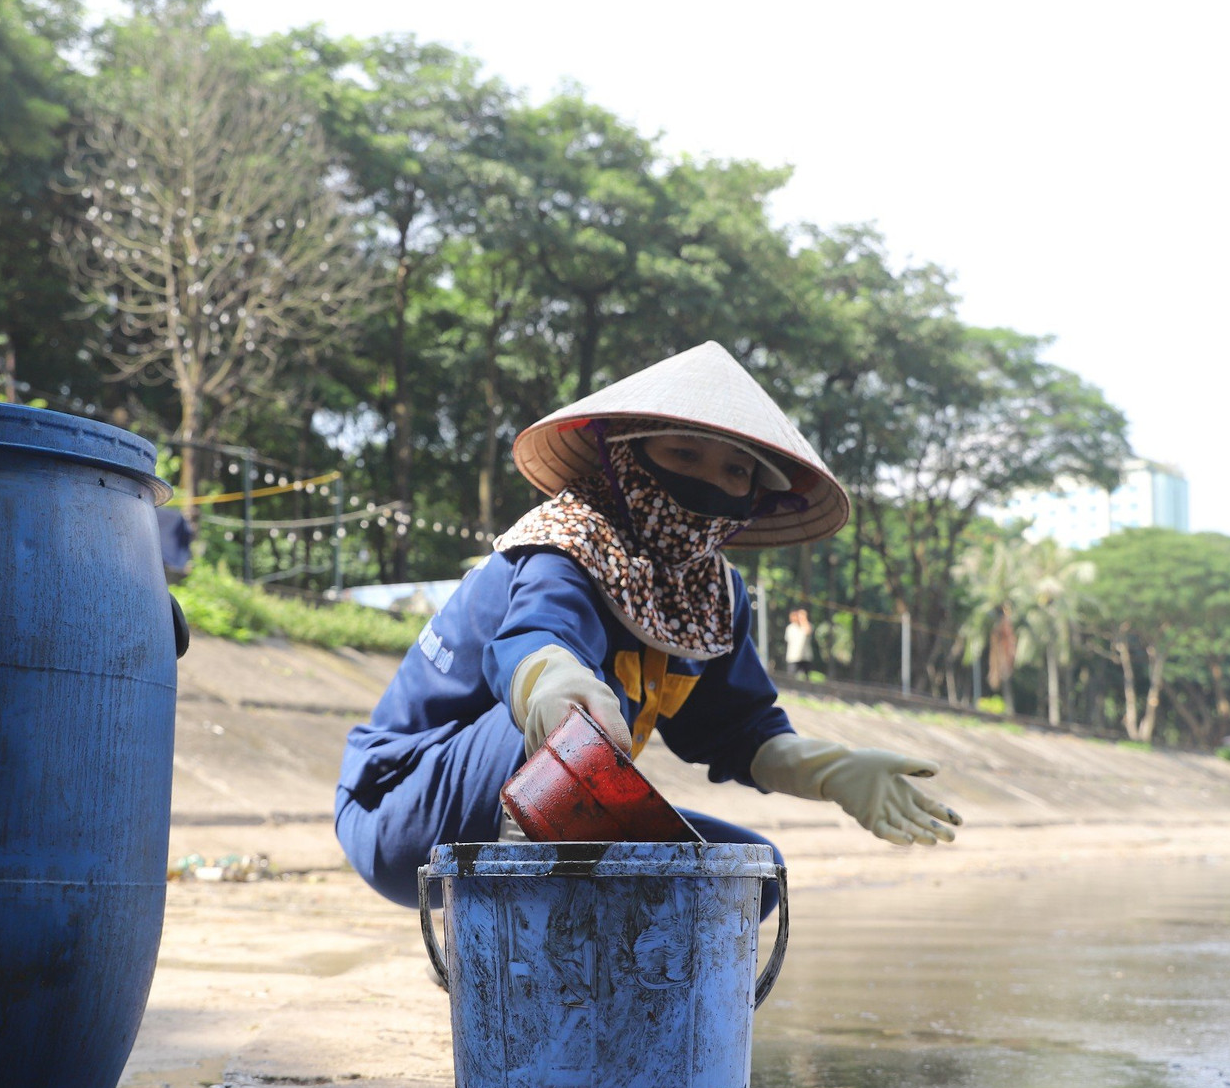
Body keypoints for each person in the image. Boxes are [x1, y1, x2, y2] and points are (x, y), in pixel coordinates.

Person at [335, 341, 961, 908]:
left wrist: (832, 771)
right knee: (559, 723)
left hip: (565, 801)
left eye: (734, 472)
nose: (709, 484)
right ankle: (503, 924)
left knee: (743, 879)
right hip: (404, 808)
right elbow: (536, 640)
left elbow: (741, 732)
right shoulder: (565, 542)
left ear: (753, 496)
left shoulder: (712, 597)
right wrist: (554, 688)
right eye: (683, 454)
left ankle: (612, 1000)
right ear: (626, 457)